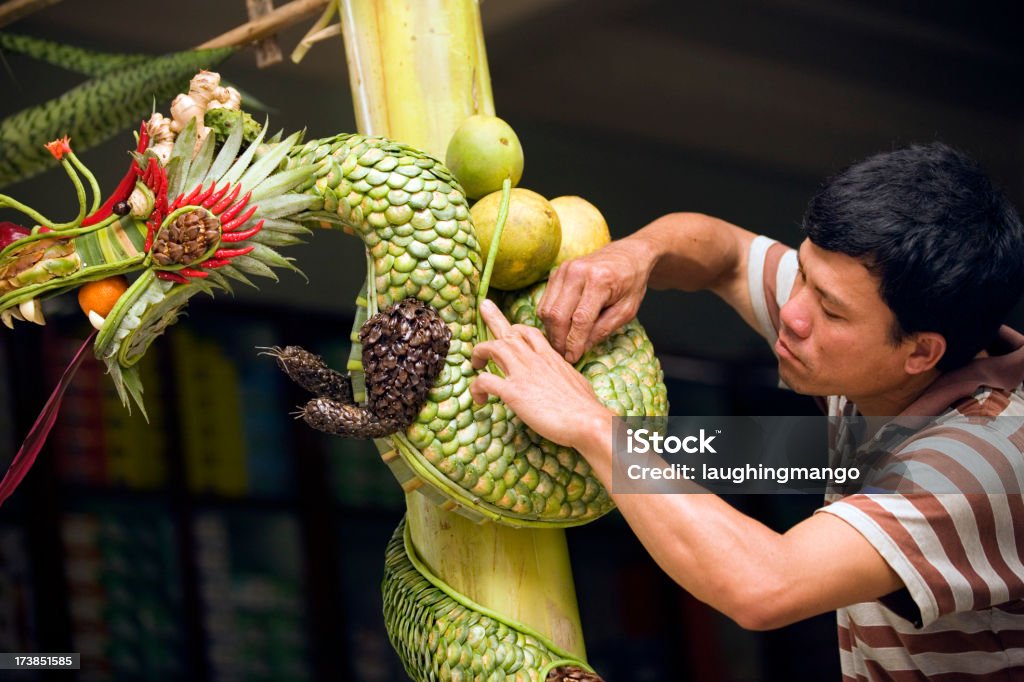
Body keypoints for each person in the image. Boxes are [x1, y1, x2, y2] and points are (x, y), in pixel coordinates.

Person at [469, 143, 1024, 679]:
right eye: (803, 272)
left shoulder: (983, 461)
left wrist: (591, 424)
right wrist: (637, 254)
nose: (794, 313)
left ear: (921, 352)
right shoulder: (873, 329)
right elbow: (726, 254)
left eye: (829, 309)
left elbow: (765, 585)